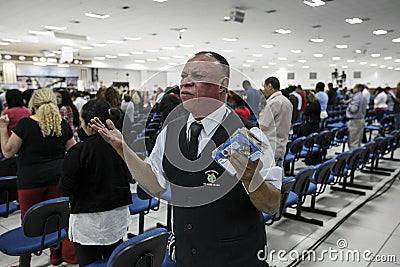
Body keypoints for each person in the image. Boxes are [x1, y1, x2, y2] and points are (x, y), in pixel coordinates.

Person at [91, 51, 281, 267]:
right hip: (186, 255)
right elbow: (154, 182)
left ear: (222, 85)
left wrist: (251, 179)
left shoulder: (249, 136)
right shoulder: (171, 131)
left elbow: (272, 205)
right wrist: (122, 148)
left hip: (236, 258)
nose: (186, 83)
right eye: (183, 76)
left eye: (197, 76)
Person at [0, 88, 76, 266]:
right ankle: (55, 256)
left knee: (29, 223)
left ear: (32, 104)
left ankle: (25, 261)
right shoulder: (61, 124)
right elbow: (73, 152)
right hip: (57, 179)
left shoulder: (25, 125)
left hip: (30, 182)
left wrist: (3, 127)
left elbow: (8, 151)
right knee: (55, 218)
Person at [59, 99, 132, 267]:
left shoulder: (78, 152)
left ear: (91, 125)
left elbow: (65, 189)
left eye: (82, 121)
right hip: (117, 218)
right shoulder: (122, 145)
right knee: (114, 261)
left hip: (89, 224)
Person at [259, 77, 293, 168]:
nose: (264, 90)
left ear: (269, 86)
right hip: (281, 145)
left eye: (264, 87)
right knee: (278, 177)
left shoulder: (274, 102)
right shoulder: (287, 102)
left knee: (270, 179)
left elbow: (262, 125)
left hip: (270, 146)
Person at [346, 84, 368, 150]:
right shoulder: (363, 97)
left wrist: (349, 105)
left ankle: (353, 158)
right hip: (361, 119)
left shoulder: (356, 97)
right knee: (358, 141)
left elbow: (353, 109)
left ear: (358, 88)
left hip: (354, 120)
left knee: (353, 142)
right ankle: (357, 157)